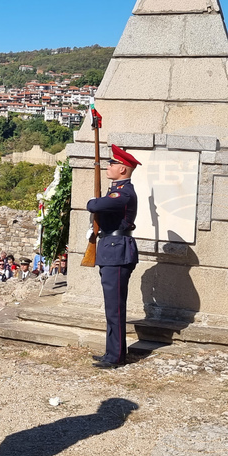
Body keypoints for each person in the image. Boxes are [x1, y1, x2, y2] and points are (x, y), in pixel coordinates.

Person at [86, 144, 141, 370]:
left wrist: (94, 203)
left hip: (117, 250)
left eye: (114, 163)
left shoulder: (124, 193)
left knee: (115, 307)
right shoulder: (116, 190)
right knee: (111, 307)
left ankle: (117, 356)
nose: (109, 166)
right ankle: (112, 351)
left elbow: (93, 205)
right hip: (111, 249)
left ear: (123, 169)